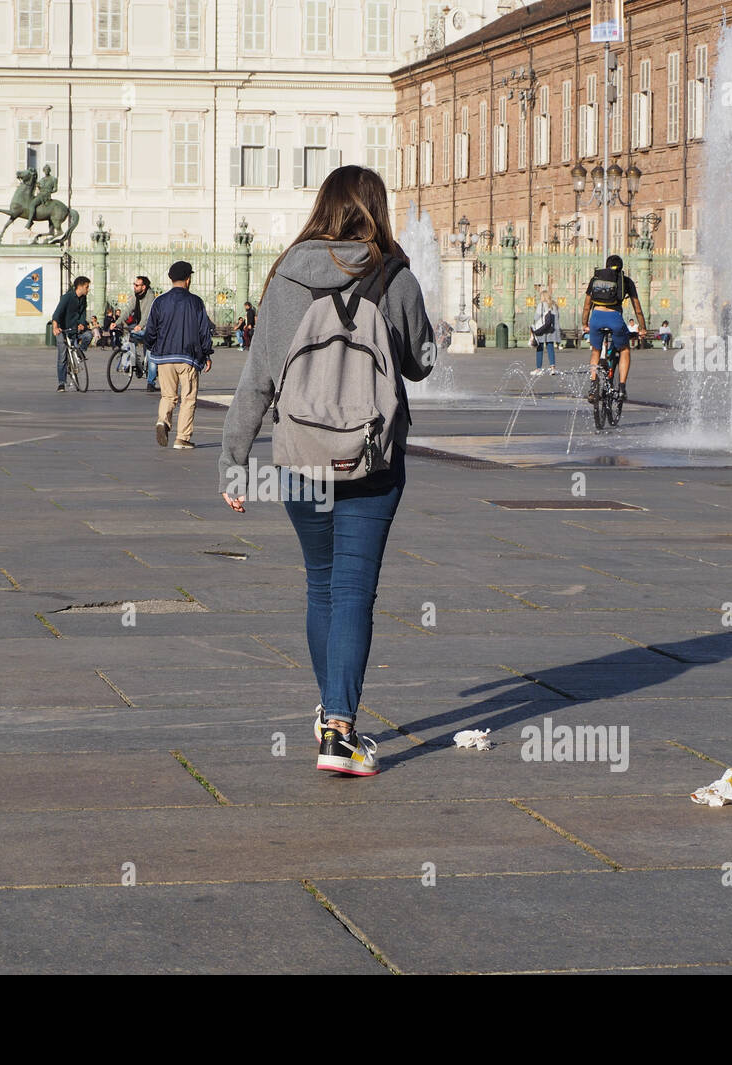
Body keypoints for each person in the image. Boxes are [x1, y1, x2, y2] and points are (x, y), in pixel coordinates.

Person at [219, 167, 434, 777]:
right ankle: (339, 729)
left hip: (298, 461)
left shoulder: (285, 276)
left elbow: (257, 380)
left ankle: (330, 716)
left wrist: (233, 462)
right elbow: (417, 365)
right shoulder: (396, 275)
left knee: (321, 585)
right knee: (354, 591)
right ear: (377, 210)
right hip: (371, 459)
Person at [142, 260, 213, 449]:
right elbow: (203, 330)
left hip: (164, 357)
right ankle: (182, 438)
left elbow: (151, 329)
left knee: (168, 396)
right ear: (188, 279)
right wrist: (206, 353)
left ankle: (163, 421)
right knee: (188, 398)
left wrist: (150, 345)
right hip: (188, 357)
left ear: (170, 278)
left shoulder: (159, 301)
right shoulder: (196, 302)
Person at [581, 253, 646, 404]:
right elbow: (638, 309)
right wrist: (642, 328)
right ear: (621, 267)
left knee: (596, 351)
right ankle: (622, 388)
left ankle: (592, 387)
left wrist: (585, 324)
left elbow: (586, 307)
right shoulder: (626, 281)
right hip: (615, 319)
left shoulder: (596, 279)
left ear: (606, 266)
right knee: (624, 349)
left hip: (596, 319)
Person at [50, 276, 92, 392]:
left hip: (75, 329)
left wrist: (82, 324)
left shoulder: (83, 298)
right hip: (62, 329)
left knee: (88, 335)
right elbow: (57, 313)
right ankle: (62, 383)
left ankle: (79, 353)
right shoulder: (67, 297)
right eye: (87, 287)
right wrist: (55, 328)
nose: (88, 289)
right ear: (80, 286)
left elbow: (82, 314)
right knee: (62, 357)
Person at [122, 275, 157, 392]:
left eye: (137, 285)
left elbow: (147, 315)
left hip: (151, 328)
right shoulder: (136, 296)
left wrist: (140, 326)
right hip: (141, 327)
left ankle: (150, 383)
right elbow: (128, 310)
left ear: (144, 286)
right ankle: (134, 365)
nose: (134, 287)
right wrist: (116, 322)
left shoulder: (150, 296)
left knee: (150, 354)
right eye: (134, 284)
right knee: (129, 338)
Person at [530, 288, 559, 376]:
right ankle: (553, 368)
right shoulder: (554, 305)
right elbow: (557, 318)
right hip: (550, 330)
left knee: (540, 348)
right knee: (550, 348)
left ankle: (539, 369)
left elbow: (536, 317)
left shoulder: (541, 305)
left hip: (542, 330)